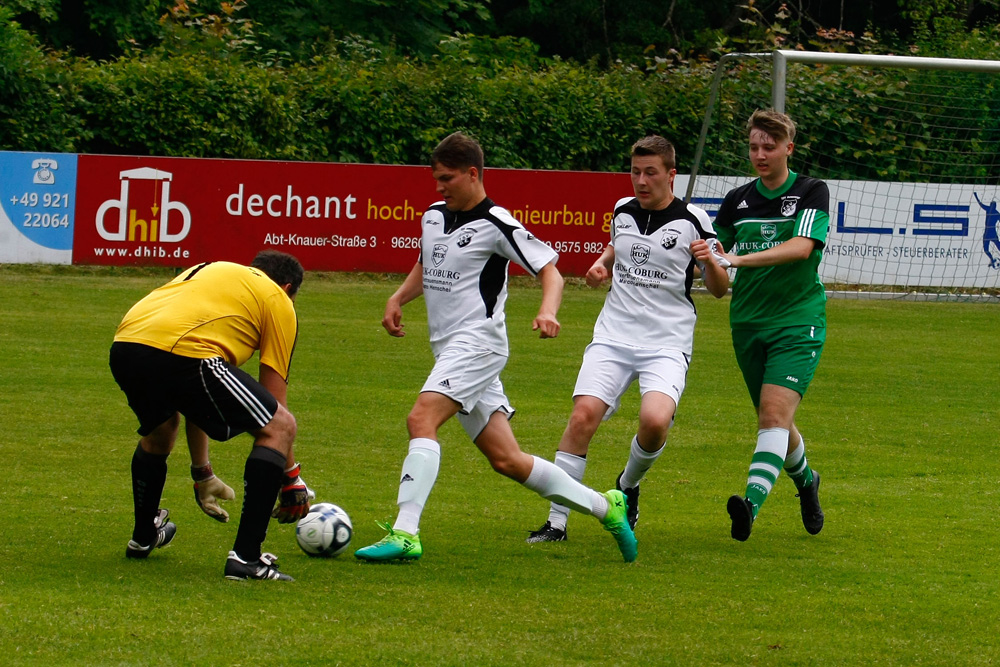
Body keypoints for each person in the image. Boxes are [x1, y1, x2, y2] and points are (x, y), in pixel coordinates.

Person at [354, 131, 637, 563]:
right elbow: (427, 261)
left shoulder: (497, 223)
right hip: (449, 348)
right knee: (506, 460)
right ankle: (605, 506)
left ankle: (405, 532)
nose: (439, 186)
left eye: (447, 178)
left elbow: (551, 270)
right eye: (435, 178)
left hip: (478, 345)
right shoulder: (433, 215)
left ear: (472, 174)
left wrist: (548, 310)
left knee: (421, 419)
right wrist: (398, 297)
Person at [527, 135, 731, 543]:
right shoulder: (622, 210)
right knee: (583, 415)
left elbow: (721, 288)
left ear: (671, 175)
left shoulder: (696, 222)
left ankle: (627, 486)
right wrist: (601, 264)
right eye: (635, 171)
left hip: (667, 342)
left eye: (650, 172)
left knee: (654, 423)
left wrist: (708, 261)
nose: (640, 181)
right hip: (613, 335)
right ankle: (556, 522)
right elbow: (616, 246)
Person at [109, 250, 311, 580]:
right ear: (288, 288)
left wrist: (202, 472)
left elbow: (195, 397)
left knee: (162, 429)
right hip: (184, 351)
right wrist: (290, 477)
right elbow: (276, 403)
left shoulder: (214, 271)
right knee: (280, 426)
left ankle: (144, 536)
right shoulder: (278, 299)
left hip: (127, 343)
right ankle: (247, 558)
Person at [713, 109, 828, 541]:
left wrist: (737, 258)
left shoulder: (811, 191)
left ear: (788, 149)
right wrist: (710, 263)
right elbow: (718, 274)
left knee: (773, 416)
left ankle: (749, 505)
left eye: (769, 146)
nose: (760, 154)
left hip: (798, 322)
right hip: (746, 323)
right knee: (776, 419)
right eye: (754, 146)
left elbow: (800, 248)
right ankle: (807, 482)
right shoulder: (737, 199)